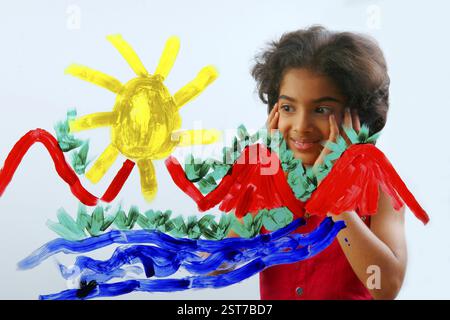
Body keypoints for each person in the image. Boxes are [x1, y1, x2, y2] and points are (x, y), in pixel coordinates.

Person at [251, 25, 406, 300]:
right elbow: (219, 265)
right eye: (288, 108)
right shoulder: (264, 177)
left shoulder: (378, 183)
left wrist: (334, 195)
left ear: (356, 119)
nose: (301, 126)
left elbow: (385, 287)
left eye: (321, 110)